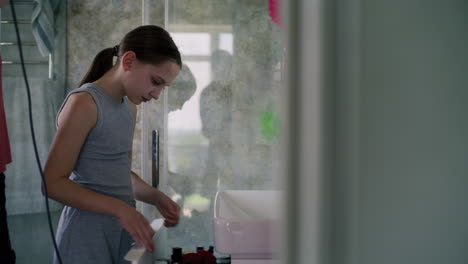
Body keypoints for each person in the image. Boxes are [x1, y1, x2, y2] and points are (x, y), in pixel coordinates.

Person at [43, 25, 182, 264]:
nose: (157, 94)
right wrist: (120, 209)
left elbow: (118, 173)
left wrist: (156, 197)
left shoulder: (129, 107)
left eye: (163, 87)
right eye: (156, 82)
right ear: (129, 60)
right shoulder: (85, 103)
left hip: (120, 230)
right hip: (85, 234)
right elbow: (52, 184)